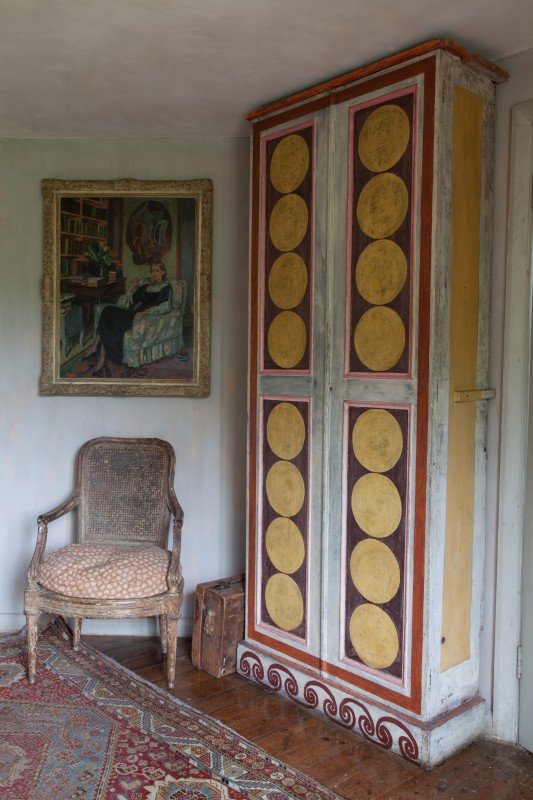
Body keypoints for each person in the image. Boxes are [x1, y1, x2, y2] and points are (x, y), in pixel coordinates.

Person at [92, 260, 172, 374]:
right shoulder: (145, 287)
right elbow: (127, 303)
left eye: (157, 271)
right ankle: (96, 348)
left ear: (163, 272)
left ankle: (100, 356)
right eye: (152, 271)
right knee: (107, 310)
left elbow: (165, 307)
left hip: (142, 316)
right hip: (133, 313)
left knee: (110, 317)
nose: (154, 273)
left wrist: (145, 312)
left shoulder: (166, 288)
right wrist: (132, 287)